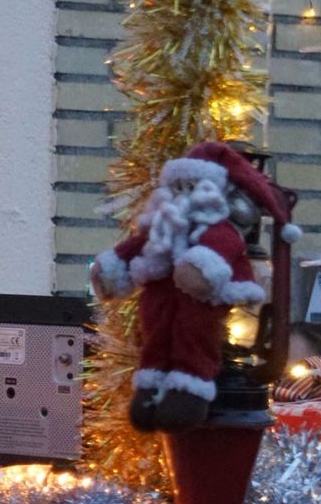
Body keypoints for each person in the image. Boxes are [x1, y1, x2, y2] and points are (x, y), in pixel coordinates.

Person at [90, 141, 301, 431]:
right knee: (154, 332)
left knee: (193, 332)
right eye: (177, 187)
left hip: (200, 296)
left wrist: (200, 269)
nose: (182, 196)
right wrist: (111, 267)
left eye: (191, 187)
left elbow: (222, 245)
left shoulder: (216, 225)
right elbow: (136, 246)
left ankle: (189, 388)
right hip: (160, 289)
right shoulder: (161, 226)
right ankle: (151, 386)